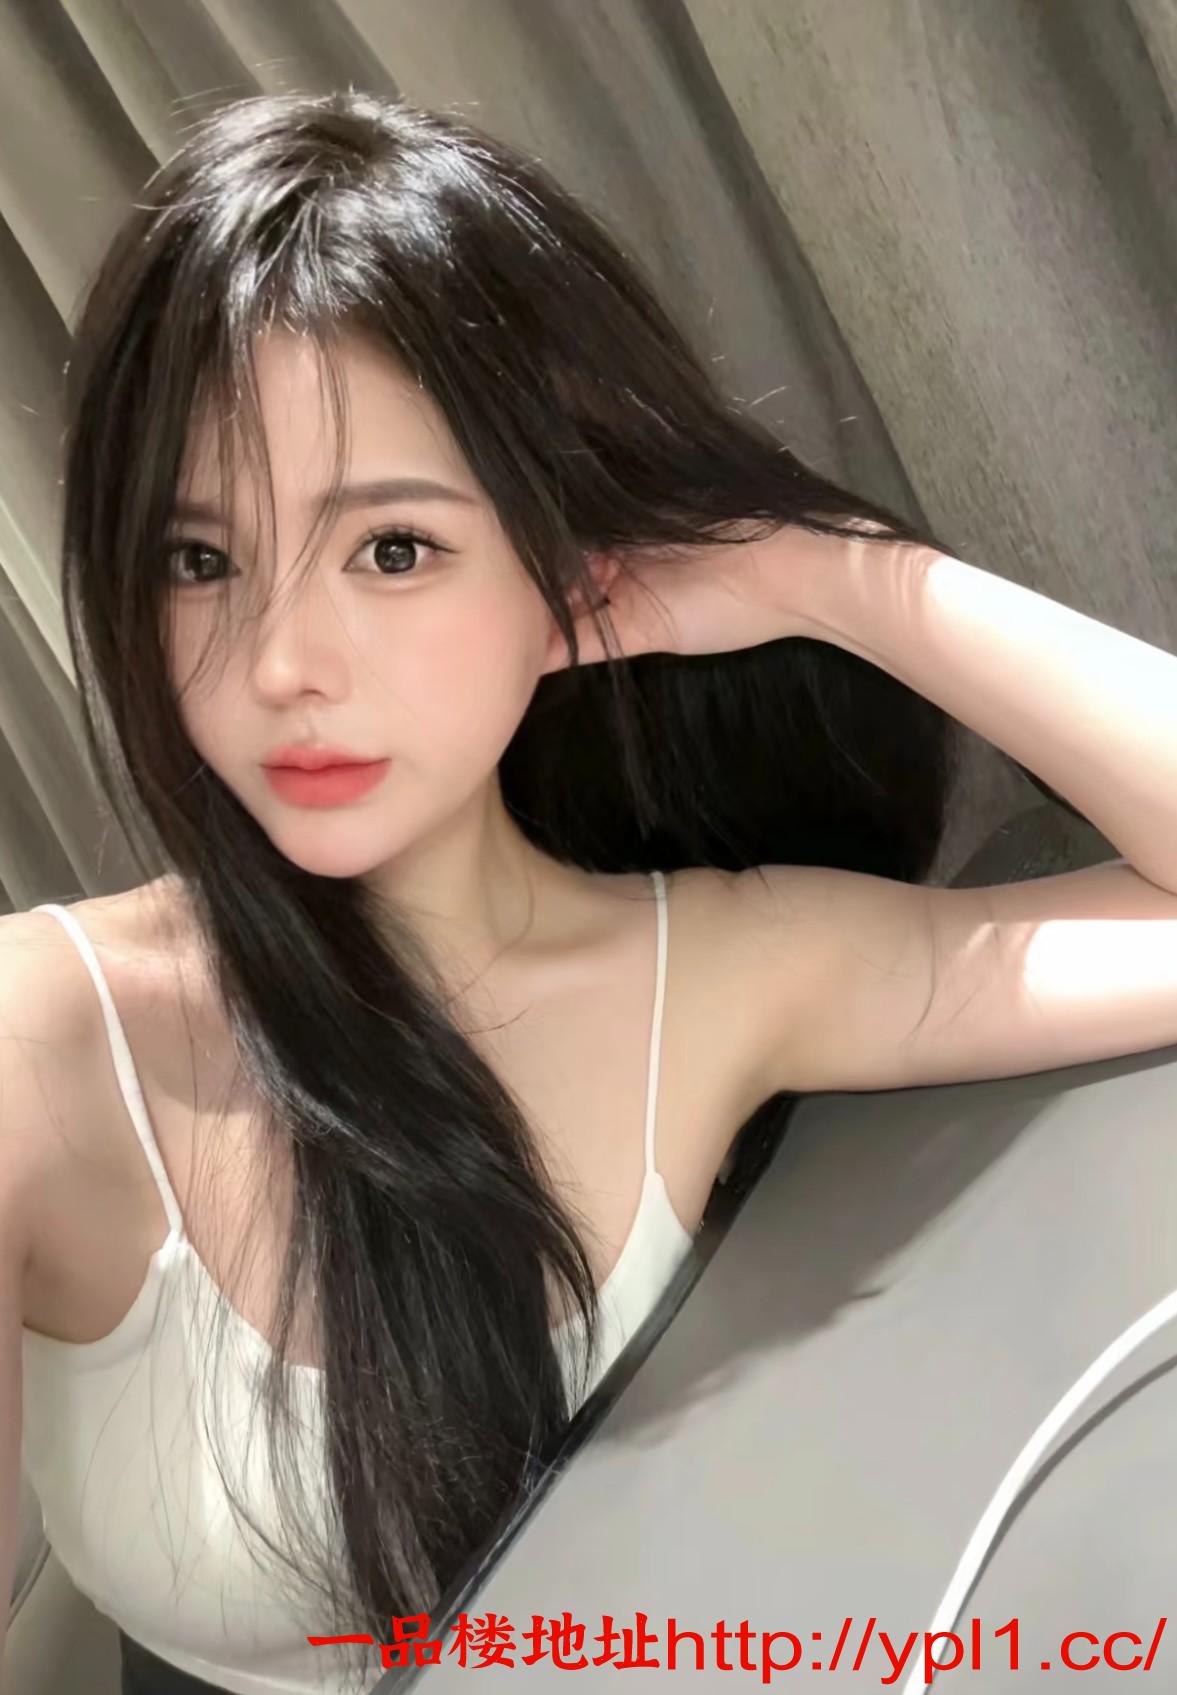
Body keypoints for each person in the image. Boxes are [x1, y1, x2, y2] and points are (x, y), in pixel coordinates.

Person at [2, 90, 1176, 1695]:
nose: (280, 666)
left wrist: (822, 577)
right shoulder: (45, 1045)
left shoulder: (719, 970)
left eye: (391, 551)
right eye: (198, 561)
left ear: (557, 563)